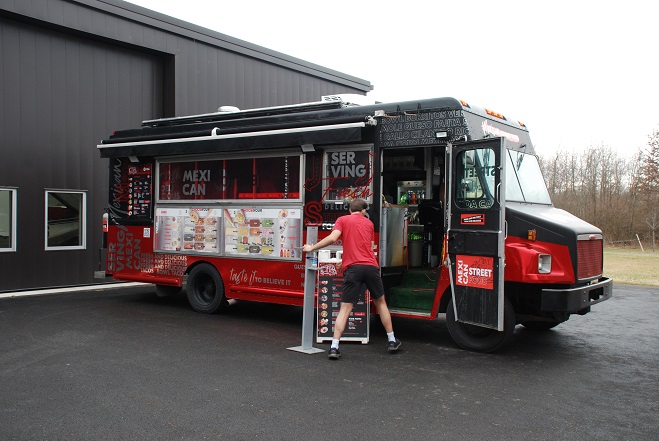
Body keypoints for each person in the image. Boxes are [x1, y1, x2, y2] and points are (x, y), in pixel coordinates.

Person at [302, 198, 401, 360]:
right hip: (370, 267)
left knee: (345, 308)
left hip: (353, 269)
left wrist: (311, 247)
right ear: (363, 211)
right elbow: (367, 248)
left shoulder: (342, 220)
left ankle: (334, 347)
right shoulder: (369, 223)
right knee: (381, 303)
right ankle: (391, 340)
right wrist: (346, 259)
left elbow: (333, 238)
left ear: (350, 210)